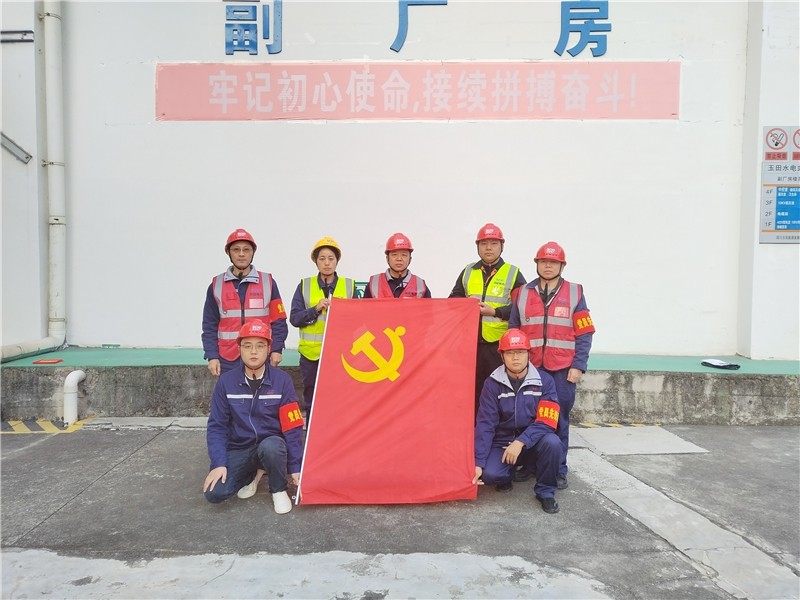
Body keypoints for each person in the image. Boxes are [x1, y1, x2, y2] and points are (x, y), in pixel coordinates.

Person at [509, 241, 595, 491]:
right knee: (528, 418)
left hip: (562, 371)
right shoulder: (522, 293)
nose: (548, 266)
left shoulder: (575, 293)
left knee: (559, 420)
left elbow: (585, 332)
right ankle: (530, 465)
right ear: (537, 264)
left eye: (553, 262)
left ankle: (558, 469)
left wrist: (578, 365)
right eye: (544, 261)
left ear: (561, 266)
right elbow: (513, 329)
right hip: (531, 370)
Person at [203, 319, 304, 514]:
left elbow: (292, 427)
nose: (254, 352)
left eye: (260, 345)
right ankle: (254, 473)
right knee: (214, 493)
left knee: (272, 447)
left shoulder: (282, 381)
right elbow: (217, 426)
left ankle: (278, 489)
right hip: (240, 447)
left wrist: (295, 466)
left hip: (271, 445)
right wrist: (218, 463)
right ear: (239, 349)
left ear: (268, 349)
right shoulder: (226, 382)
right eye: (247, 346)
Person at [472, 329, 562, 514]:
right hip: (502, 441)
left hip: (532, 442)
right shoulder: (492, 384)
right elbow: (485, 424)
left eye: (520, 352)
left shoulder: (544, 381)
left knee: (553, 443)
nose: (515, 358)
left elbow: (547, 421)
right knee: (490, 475)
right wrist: (478, 462)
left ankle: (545, 492)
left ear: (529, 354)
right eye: (510, 353)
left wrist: (521, 442)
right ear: (502, 356)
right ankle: (506, 474)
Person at [448, 223, 526, 414]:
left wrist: (495, 312)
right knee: (471, 390)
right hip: (470, 344)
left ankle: (498, 429)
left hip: (498, 346)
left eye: (493, 243)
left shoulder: (513, 273)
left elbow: (522, 307)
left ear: (502, 246)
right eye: (484, 244)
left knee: (498, 391)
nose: (488, 248)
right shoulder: (468, 271)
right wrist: (466, 305)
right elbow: (453, 301)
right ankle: (474, 429)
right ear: (478, 247)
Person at [202, 228, 288, 376]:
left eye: (246, 249)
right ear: (228, 252)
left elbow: (279, 320)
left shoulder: (268, 282)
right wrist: (212, 356)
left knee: (263, 391)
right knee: (230, 391)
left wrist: (277, 349)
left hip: (261, 355)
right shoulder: (216, 285)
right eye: (236, 249)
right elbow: (209, 325)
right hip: (228, 358)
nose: (241, 254)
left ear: (253, 252)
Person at [289, 237, 356, 418]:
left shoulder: (349, 286)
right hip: (311, 356)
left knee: (340, 398)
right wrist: (315, 309)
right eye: (322, 258)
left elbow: (359, 320)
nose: (327, 263)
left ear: (337, 261)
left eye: (331, 258)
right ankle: (312, 433)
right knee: (312, 398)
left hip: (340, 356)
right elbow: (295, 318)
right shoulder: (305, 285)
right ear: (316, 261)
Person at [363, 232, 432, 298]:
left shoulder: (420, 286)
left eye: (404, 255)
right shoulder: (374, 284)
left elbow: (429, 306)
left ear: (410, 259)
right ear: (387, 258)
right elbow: (364, 306)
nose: (399, 259)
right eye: (394, 254)